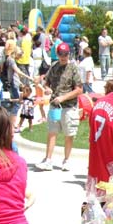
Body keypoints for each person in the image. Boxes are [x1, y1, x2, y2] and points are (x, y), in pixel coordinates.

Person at [36, 43, 83, 172]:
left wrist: (63, 97)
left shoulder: (73, 68)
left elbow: (79, 89)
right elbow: (47, 84)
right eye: (61, 54)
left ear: (69, 54)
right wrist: (47, 90)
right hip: (55, 106)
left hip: (69, 106)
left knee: (69, 134)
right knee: (52, 132)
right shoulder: (54, 67)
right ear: (57, 54)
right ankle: (48, 160)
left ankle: (66, 160)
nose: (63, 57)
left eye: (66, 54)